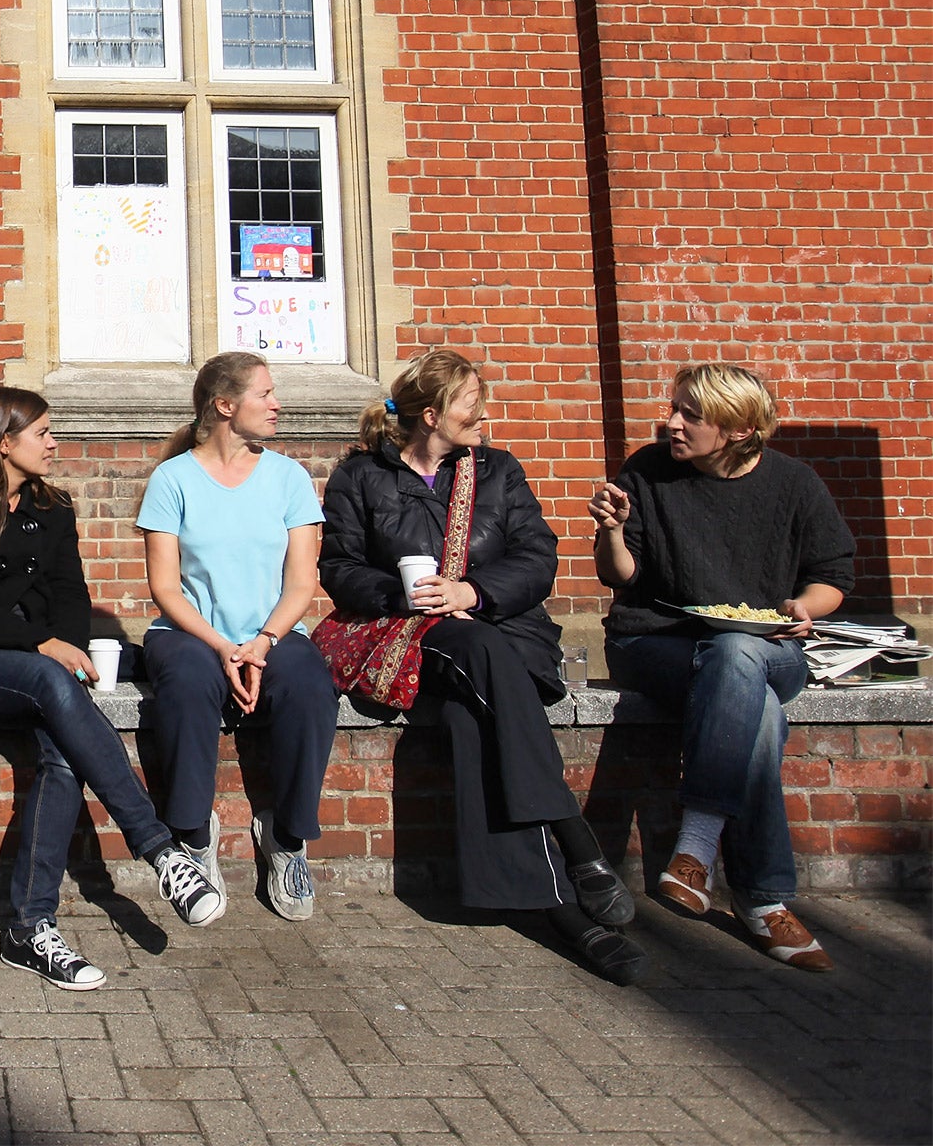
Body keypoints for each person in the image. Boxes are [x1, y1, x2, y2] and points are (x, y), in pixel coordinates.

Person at [320, 350, 644, 984]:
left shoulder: (498, 471)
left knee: (476, 715)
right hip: (410, 638)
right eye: (472, 401)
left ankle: (551, 906)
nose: (484, 413)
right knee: (478, 658)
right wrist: (404, 595)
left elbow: (537, 555)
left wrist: (472, 595)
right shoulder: (360, 476)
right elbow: (339, 567)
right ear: (432, 414)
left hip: (506, 633)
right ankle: (576, 845)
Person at [0, 387, 225, 990]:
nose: (55, 444)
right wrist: (43, 647)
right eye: (43, 434)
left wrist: (69, 646)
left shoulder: (54, 508)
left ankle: (30, 928)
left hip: (40, 670)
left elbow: (70, 595)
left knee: (61, 753)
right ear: (5, 443)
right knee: (49, 678)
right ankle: (160, 850)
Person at [590, 362, 853, 973]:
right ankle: (764, 901)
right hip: (658, 642)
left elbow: (833, 576)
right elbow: (622, 578)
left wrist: (804, 608)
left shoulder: (794, 484)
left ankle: (698, 842)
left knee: (739, 654)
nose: (671, 422)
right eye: (674, 408)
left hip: (770, 643)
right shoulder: (650, 471)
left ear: (737, 431)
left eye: (690, 414)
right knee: (751, 702)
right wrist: (613, 532)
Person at [137, 352, 336, 921]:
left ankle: (288, 839)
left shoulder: (289, 478)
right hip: (187, 632)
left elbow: (302, 582)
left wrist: (264, 641)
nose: (278, 404)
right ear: (226, 406)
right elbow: (165, 590)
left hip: (272, 632)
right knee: (188, 683)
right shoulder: (173, 479)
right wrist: (224, 646)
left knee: (308, 689)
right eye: (265, 394)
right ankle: (194, 837)